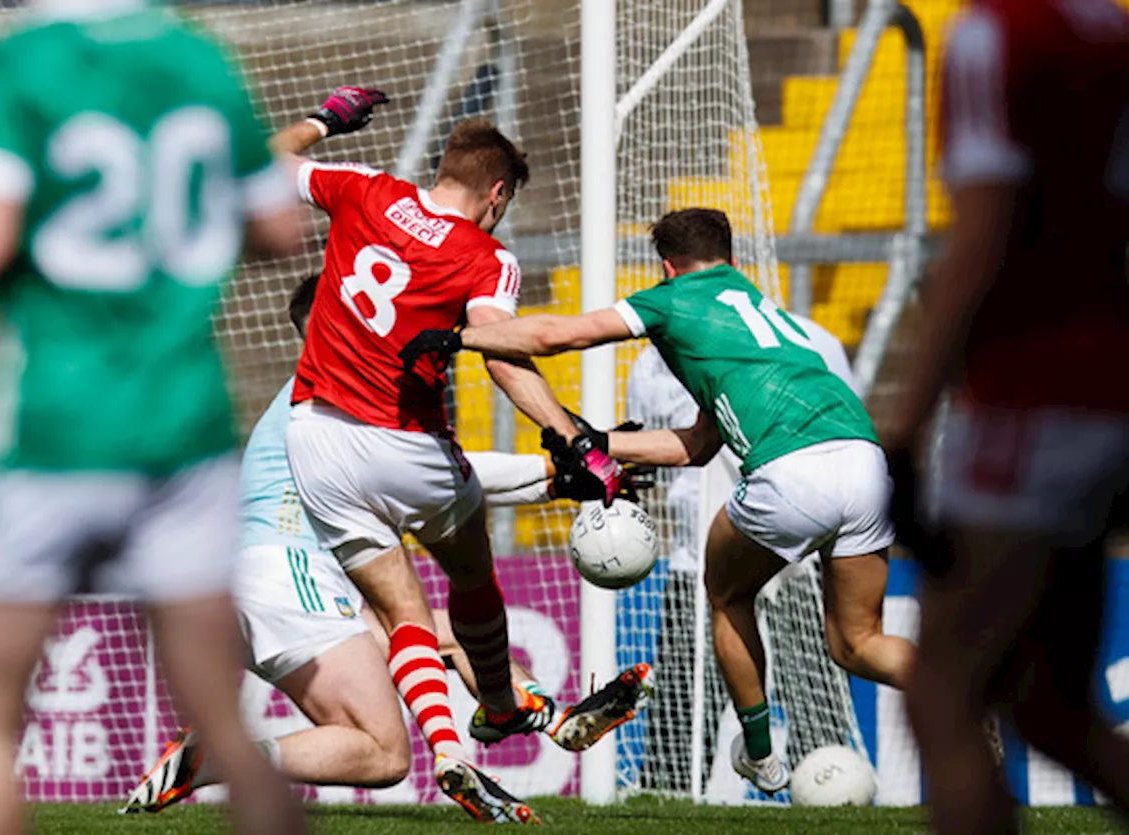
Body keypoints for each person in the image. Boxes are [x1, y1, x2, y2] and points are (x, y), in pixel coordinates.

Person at [0, 2, 311, 834]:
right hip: (185, 432)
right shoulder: (200, 60)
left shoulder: (9, 64)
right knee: (228, 731)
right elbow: (282, 226)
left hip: (46, 434)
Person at [402, 207, 913, 794]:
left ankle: (763, 757)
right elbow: (696, 446)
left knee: (724, 592)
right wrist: (596, 442)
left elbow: (554, 336)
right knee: (858, 643)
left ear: (667, 268)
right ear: (733, 258)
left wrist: (457, 337)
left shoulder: (672, 300)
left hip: (791, 474)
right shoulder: (767, 315)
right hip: (864, 461)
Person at [120, 274, 653, 815]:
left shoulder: (317, 394)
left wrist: (555, 480)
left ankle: (552, 720)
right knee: (383, 753)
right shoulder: (336, 396)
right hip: (287, 577)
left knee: (447, 634)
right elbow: (450, 477)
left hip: (258, 579)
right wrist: (556, 477)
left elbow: (448, 475)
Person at [263, 92, 627, 823]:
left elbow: (268, 164)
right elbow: (501, 352)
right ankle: (496, 706)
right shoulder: (487, 257)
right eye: (505, 201)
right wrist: (569, 433)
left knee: (401, 611)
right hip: (403, 440)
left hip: (314, 434)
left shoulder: (366, 188)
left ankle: (450, 757)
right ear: (496, 193)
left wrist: (328, 118)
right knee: (469, 571)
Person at [883, 1, 1129, 831]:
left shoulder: (999, 32)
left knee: (941, 690)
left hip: (1035, 391)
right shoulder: (1116, 36)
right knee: (1050, 706)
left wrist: (909, 426)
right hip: (1109, 385)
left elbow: (985, 232)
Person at [631, 315, 857, 793]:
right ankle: (667, 797)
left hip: (800, 556)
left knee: (819, 705)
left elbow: (846, 436)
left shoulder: (813, 338)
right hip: (701, 558)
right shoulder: (650, 363)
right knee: (680, 716)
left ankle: (832, 793)